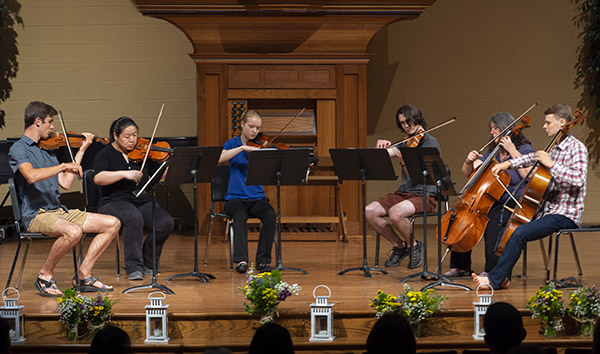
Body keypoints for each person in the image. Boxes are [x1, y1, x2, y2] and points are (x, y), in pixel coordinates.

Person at [9, 101, 120, 296]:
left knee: (113, 223)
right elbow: (31, 176)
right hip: (37, 214)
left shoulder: (49, 149)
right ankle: (44, 275)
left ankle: (83, 275)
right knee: (73, 232)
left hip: (59, 211)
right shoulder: (19, 149)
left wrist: (82, 150)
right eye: (50, 122)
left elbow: (65, 182)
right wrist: (62, 166)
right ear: (37, 121)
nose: (52, 127)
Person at [473, 104, 587, 290]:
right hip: (546, 211)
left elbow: (578, 180)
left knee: (518, 234)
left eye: (548, 122)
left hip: (566, 214)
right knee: (507, 225)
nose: (544, 126)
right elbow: (530, 159)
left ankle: (495, 280)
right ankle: (499, 275)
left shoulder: (577, 148)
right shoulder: (554, 148)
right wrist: (507, 164)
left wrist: (551, 165)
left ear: (562, 123)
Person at [446, 112, 534, 277]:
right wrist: (469, 162)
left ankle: (492, 271)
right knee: (463, 218)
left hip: (513, 202)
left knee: (495, 221)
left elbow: (528, 176)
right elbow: (469, 175)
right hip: (492, 200)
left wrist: (512, 150)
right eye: (491, 129)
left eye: (495, 128)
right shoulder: (493, 152)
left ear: (507, 129)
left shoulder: (525, 149)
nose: (492, 132)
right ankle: (460, 266)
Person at [93, 116, 174, 281]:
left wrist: (170, 163)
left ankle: (149, 262)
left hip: (141, 199)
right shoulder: (105, 154)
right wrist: (123, 173)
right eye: (127, 136)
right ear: (116, 136)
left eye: (135, 135)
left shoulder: (144, 153)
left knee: (165, 223)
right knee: (133, 218)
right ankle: (134, 266)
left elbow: (162, 174)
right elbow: (98, 178)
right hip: (113, 200)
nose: (132, 140)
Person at [365, 104, 441, 268]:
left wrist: (402, 159)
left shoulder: (429, 143)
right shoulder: (406, 143)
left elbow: (419, 176)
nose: (406, 126)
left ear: (416, 119)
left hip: (424, 194)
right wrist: (381, 147)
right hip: (403, 193)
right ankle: (399, 246)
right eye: (402, 123)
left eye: (408, 121)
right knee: (369, 211)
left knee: (395, 214)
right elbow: (386, 154)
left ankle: (414, 245)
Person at [218, 109, 276, 274]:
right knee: (240, 216)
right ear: (242, 124)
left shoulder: (260, 147)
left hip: (257, 198)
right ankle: (241, 260)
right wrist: (242, 148)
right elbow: (220, 158)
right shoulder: (232, 144)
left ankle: (263, 261)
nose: (254, 131)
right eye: (251, 126)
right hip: (235, 199)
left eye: (258, 128)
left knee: (270, 215)